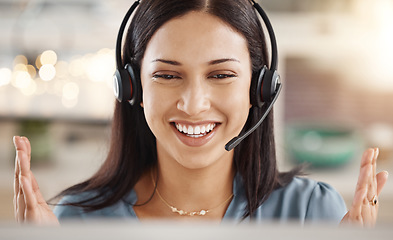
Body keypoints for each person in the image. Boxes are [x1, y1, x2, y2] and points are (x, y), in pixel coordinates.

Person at [13, 0, 388, 226]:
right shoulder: (77, 219)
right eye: (167, 75)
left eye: (221, 75)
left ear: (260, 88)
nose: (193, 104)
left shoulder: (311, 212)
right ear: (133, 88)